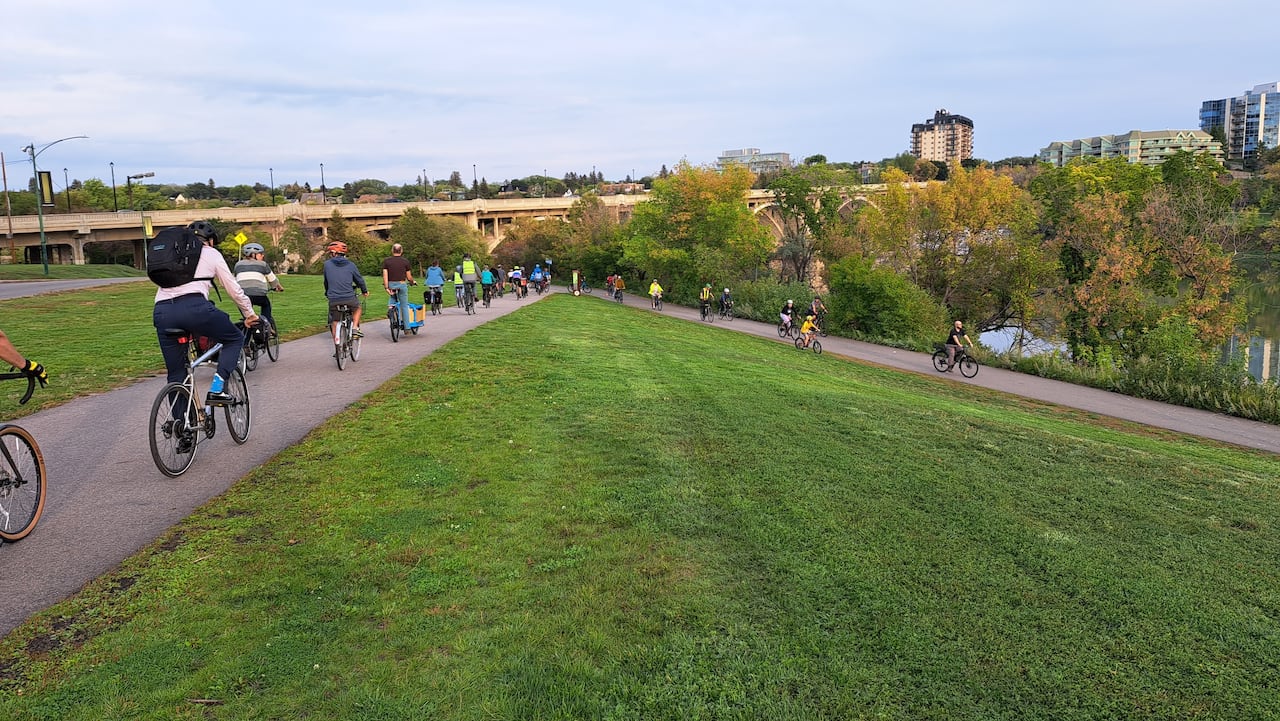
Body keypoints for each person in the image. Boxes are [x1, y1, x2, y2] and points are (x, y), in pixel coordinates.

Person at [153, 220, 258, 405]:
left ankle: (181, 426)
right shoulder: (211, 253)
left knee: (176, 373)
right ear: (209, 240)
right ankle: (217, 389)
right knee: (234, 338)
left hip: (162, 311)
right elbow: (233, 289)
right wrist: (249, 314)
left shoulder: (173, 253)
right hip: (195, 308)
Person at [233, 242, 284, 337]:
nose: (263, 256)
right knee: (266, 305)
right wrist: (279, 288)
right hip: (259, 295)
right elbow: (273, 280)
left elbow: (236, 279)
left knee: (248, 320)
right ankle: (267, 326)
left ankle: (246, 346)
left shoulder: (238, 265)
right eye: (261, 254)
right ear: (254, 255)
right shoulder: (263, 264)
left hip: (242, 296)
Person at [323, 240, 369, 341]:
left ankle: (337, 346)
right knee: (357, 308)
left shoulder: (327, 265)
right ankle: (355, 328)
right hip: (349, 297)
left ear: (334, 253)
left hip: (334, 298)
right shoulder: (351, 265)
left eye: (331, 253)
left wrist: (327, 292)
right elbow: (359, 280)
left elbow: (326, 282)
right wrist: (364, 291)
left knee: (335, 321)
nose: (330, 255)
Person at [381, 243, 415, 328]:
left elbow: (385, 276)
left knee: (392, 296)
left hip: (391, 284)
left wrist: (386, 287)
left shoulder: (386, 261)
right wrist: (412, 282)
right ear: (401, 251)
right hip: (401, 284)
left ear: (392, 250)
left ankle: (390, 309)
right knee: (404, 306)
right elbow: (409, 277)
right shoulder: (405, 261)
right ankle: (407, 328)